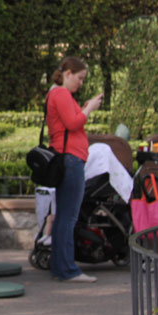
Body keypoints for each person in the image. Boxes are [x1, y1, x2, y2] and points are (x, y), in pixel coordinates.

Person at [46, 56, 103, 283]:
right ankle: (68, 269)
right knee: (69, 217)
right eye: (79, 78)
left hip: (66, 157)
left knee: (63, 216)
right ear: (67, 73)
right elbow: (73, 123)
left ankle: (61, 267)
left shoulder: (57, 94)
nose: (80, 83)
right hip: (71, 158)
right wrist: (88, 109)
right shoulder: (60, 93)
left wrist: (85, 106)